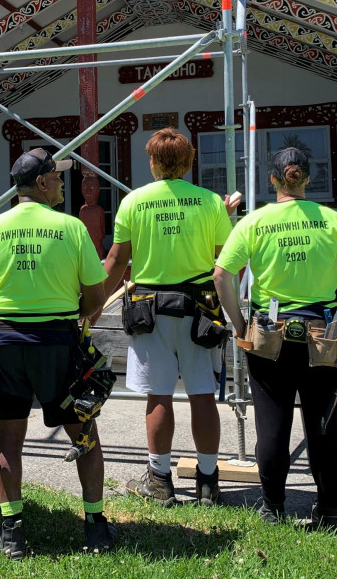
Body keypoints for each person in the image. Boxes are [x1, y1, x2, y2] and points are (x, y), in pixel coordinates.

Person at [214, 147, 337, 528]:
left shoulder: (255, 222)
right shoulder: (331, 220)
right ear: (307, 179)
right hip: (324, 334)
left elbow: (222, 275)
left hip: (269, 335)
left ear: (273, 180)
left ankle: (273, 507)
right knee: (325, 423)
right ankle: (329, 511)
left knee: (272, 422)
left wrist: (239, 325)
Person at [0, 148, 112, 560]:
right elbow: (96, 296)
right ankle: (95, 525)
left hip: (7, 342)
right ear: (44, 182)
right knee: (84, 434)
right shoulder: (70, 228)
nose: (63, 183)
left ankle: (12, 531)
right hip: (58, 344)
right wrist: (70, 317)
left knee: (10, 438)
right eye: (59, 176)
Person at [98, 128, 237, 507]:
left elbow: (116, 261)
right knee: (202, 395)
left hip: (150, 310)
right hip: (200, 309)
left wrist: (91, 308)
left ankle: (160, 480)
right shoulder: (210, 203)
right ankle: (208, 483)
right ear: (190, 161)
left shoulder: (134, 202)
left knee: (158, 395)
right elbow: (225, 259)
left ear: (153, 162)